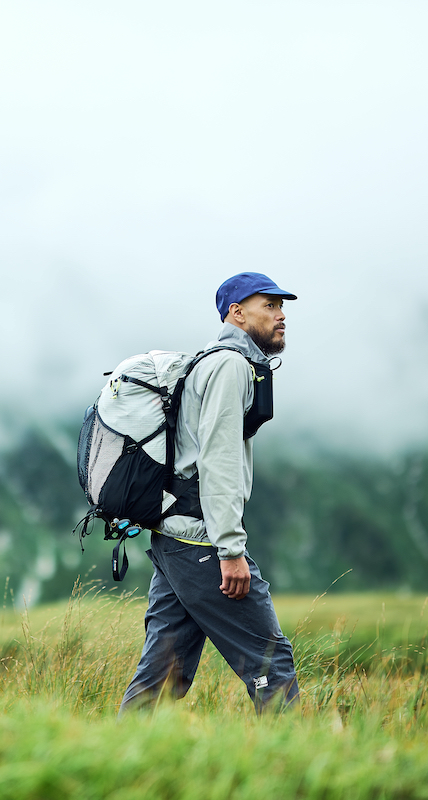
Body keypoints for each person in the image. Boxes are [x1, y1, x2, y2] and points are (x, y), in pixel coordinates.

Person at [119, 271, 300, 713]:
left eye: (282, 308)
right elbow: (216, 459)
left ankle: (118, 758)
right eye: (269, 306)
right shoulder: (231, 366)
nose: (280, 316)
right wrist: (230, 550)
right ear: (237, 314)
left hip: (174, 537)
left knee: (163, 675)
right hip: (200, 539)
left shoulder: (214, 361)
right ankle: (290, 768)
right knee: (272, 666)